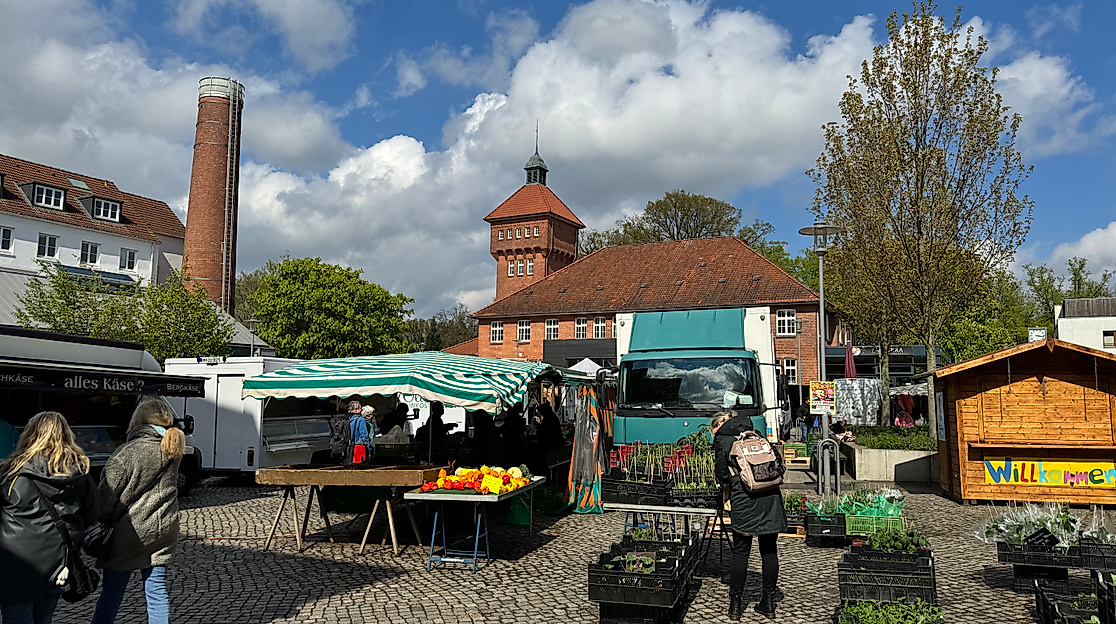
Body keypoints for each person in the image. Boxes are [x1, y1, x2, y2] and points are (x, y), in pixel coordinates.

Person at [91, 399, 186, 624]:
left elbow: (106, 496)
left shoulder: (127, 452)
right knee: (157, 593)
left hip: (128, 531)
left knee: (112, 593)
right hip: (163, 528)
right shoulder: (172, 448)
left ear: (138, 420)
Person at [0, 411, 98, 624]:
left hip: (14, 562)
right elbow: (91, 513)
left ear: (30, 434)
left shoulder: (10, 471)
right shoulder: (79, 473)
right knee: (43, 618)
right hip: (56, 560)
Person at [713, 410, 786, 621]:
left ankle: (735, 606)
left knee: (740, 552)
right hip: (770, 498)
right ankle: (768, 603)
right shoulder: (758, 437)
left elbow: (722, 475)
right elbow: (778, 465)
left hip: (744, 500)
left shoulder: (724, 442)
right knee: (769, 552)